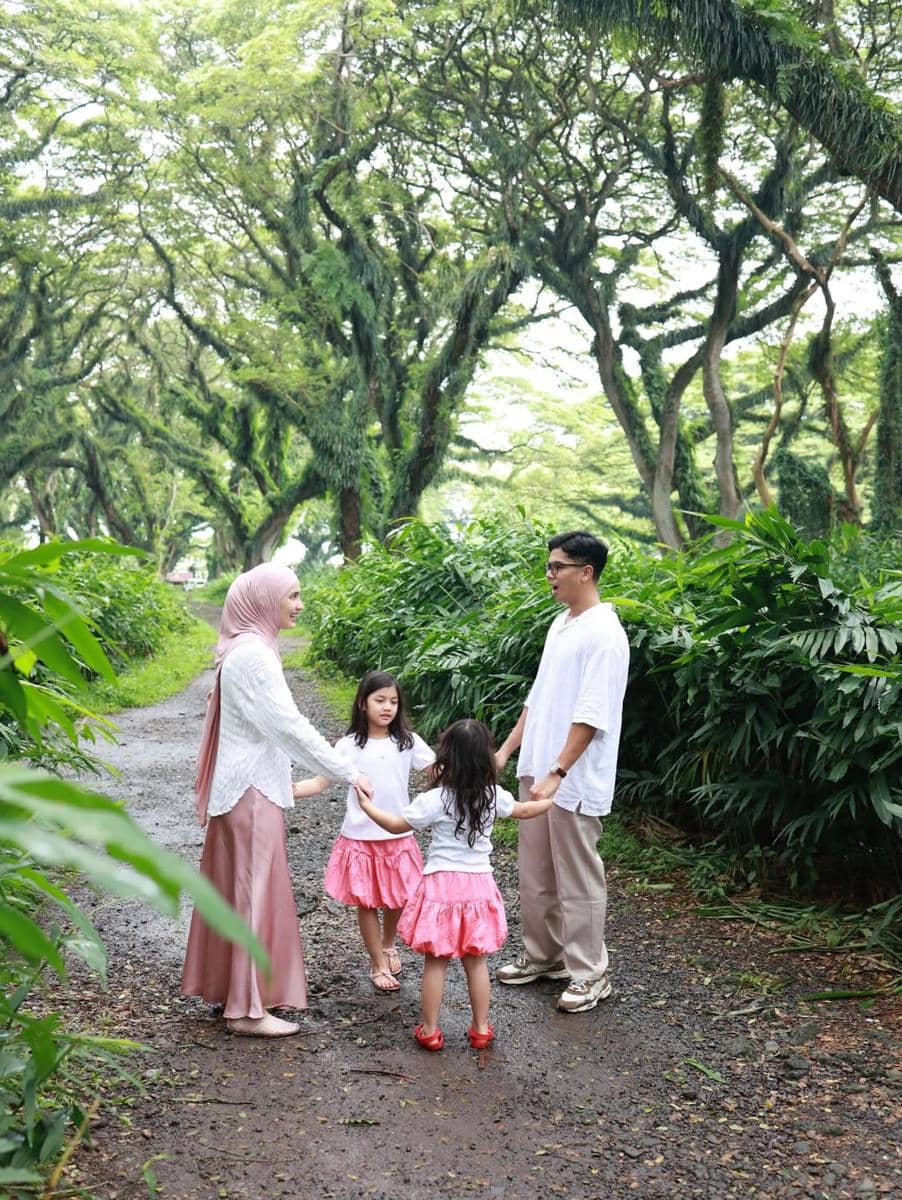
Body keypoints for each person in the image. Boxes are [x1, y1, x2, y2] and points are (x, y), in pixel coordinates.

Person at [180, 563, 372, 1038]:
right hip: (251, 793)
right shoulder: (254, 657)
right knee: (250, 895)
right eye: (291, 595)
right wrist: (346, 770)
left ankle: (234, 993)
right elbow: (287, 726)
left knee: (235, 892)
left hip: (239, 790)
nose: (299, 604)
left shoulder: (243, 651)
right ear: (264, 600)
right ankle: (246, 1010)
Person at [494, 530, 629, 1013]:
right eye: (549, 566)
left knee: (578, 877)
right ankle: (545, 957)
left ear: (585, 572)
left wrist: (558, 770)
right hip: (538, 768)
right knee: (535, 873)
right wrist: (508, 750)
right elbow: (539, 696)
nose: (549, 575)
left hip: (569, 776)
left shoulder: (605, 634)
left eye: (557, 567)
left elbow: (591, 715)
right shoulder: (561, 624)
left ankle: (591, 973)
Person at [356, 718, 552, 1051]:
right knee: (476, 962)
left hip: (441, 888)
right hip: (478, 887)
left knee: (436, 961)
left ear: (447, 758)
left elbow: (395, 825)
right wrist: (552, 799)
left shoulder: (436, 799)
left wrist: (366, 806)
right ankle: (480, 1029)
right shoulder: (493, 796)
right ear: (484, 759)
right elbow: (524, 810)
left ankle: (430, 1030)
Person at [292, 670, 435, 992]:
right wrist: (287, 790)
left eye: (394, 702)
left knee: (400, 897)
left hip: (398, 834)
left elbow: (436, 769)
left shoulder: (407, 742)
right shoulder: (348, 746)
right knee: (367, 903)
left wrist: (471, 771)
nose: (387, 707)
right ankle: (377, 962)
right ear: (362, 703)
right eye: (379, 700)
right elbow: (320, 780)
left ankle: (388, 943)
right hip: (360, 837)